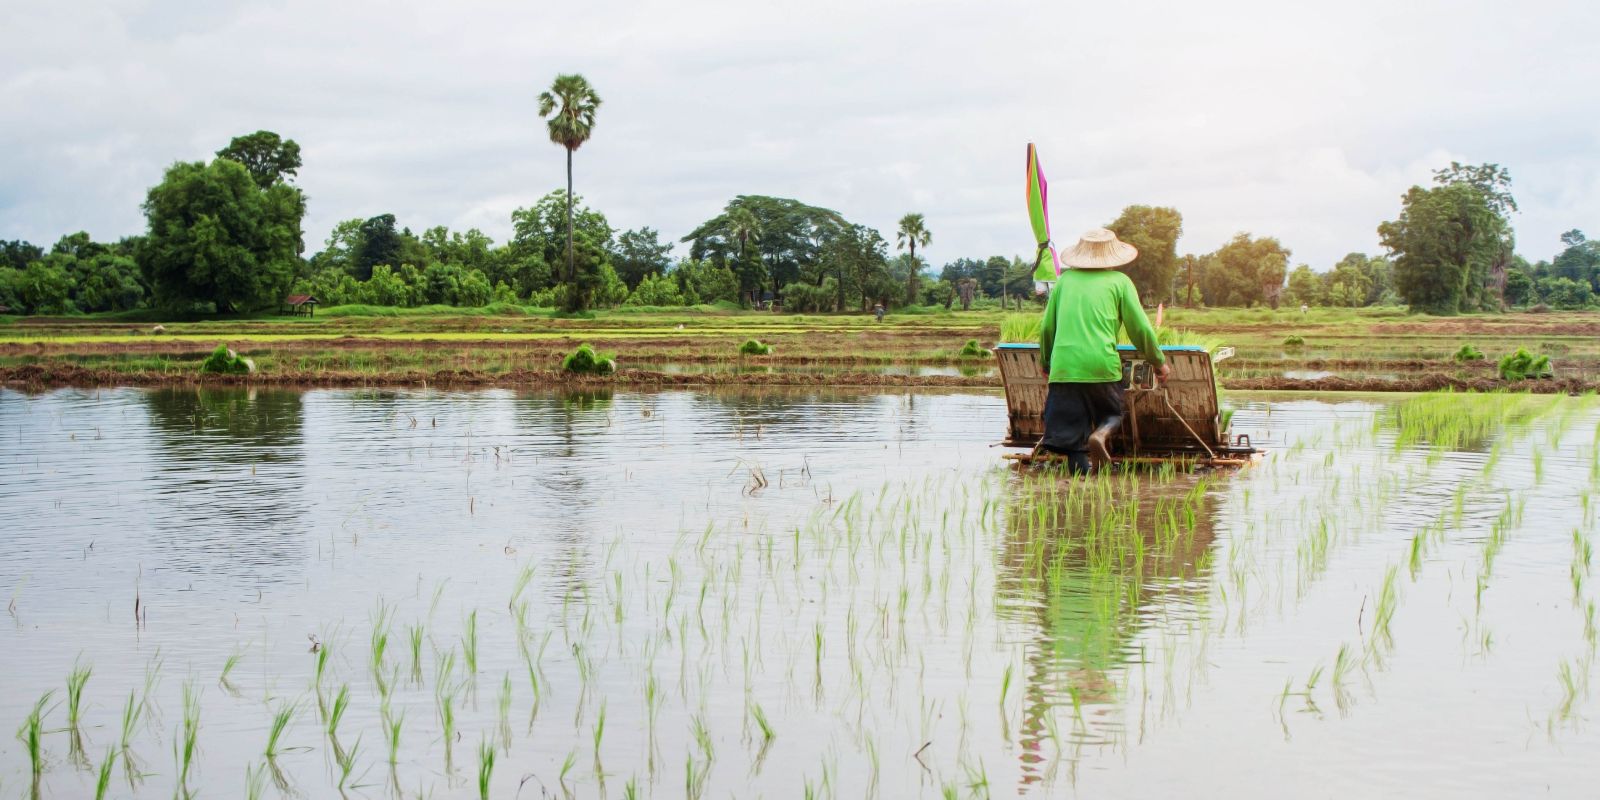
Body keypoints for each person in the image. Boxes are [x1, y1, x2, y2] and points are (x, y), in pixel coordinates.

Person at [1038, 228, 1169, 473]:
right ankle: (1101, 433)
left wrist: (1046, 364)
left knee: (1073, 441)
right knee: (1113, 413)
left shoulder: (1064, 281)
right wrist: (1158, 361)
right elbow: (1139, 328)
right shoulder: (1120, 282)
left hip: (1065, 367)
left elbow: (1047, 329)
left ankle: (1081, 490)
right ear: (1113, 258)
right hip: (1102, 365)